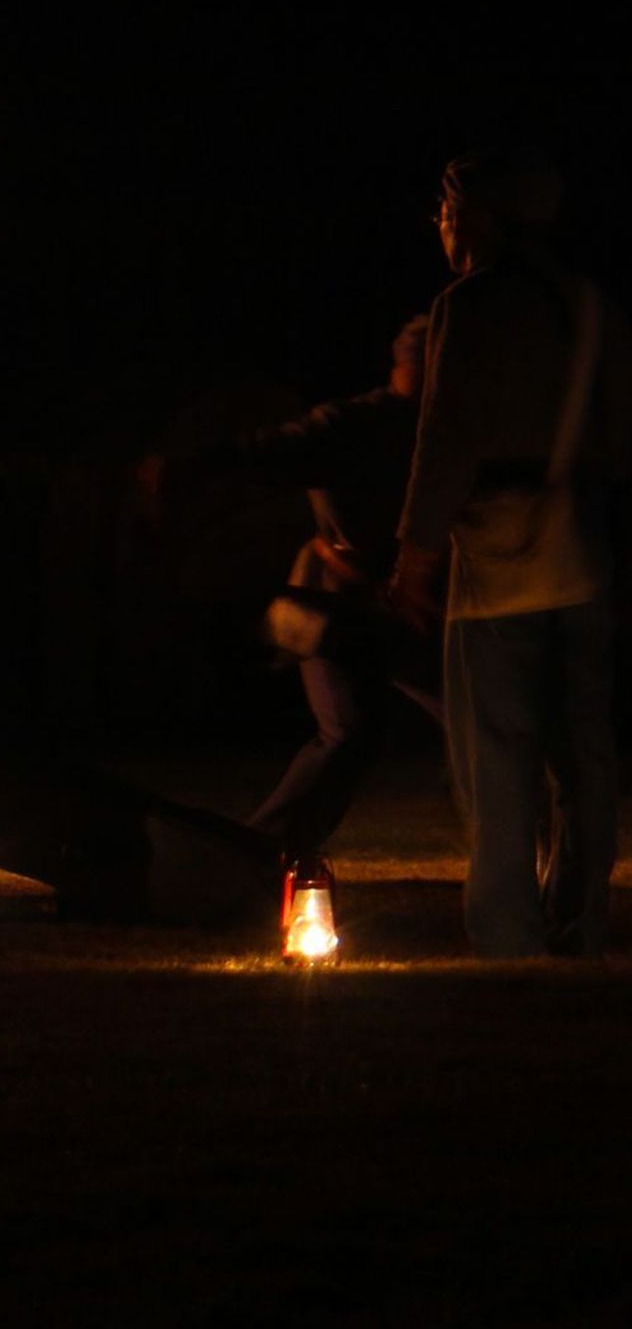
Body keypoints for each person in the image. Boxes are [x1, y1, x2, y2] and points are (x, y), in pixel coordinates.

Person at [387, 155, 628, 956]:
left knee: (496, 753)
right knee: (584, 752)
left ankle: (509, 928)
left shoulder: (471, 304)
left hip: (498, 564)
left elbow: (445, 436)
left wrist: (415, 554)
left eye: (447, 212)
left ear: (478, 218)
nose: (441, 226)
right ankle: (582, 916)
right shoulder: (593, 307)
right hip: (585, 554)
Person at [155, 316, 439, 859]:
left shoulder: (443, 430)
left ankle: (261, 851)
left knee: (448, 721)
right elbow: (266, 450)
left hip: (398, 607)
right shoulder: (354, 426)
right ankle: (260, 854)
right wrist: (183, 468)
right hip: (335, 605)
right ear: (412, 364)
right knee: (350, 733)